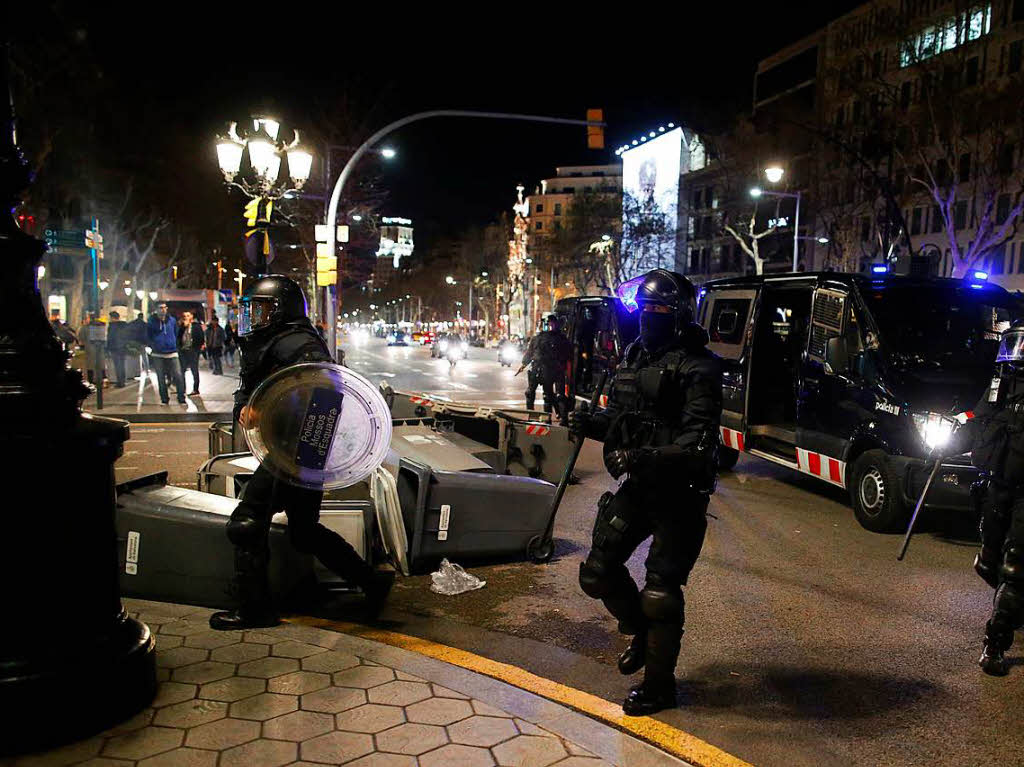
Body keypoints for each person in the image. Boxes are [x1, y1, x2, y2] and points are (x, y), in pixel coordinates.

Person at [568, 269, 722, 715]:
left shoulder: (700, 367)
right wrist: (592, 424)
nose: (649, 317)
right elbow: (622, 419)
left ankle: (659, 687)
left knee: (661, 593)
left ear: (678, 315)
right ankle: (638, 630)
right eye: (645, 309)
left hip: (680, 493)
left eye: (659, 310)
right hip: (639, 487)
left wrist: (640, 457)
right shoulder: (634, 357)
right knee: (596, 572)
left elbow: (697, 443)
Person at [209, 275, 393, 631]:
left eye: (262, 309)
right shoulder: (271, 341)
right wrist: (250, 406)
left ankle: (255, 609)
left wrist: (277, 420)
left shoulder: (296, 342)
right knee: (303, 531)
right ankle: (371, 582)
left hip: (294, 449)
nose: (255, 317)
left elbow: (324, 393)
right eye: (253, 310)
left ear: (282, 311)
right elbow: (254, 387)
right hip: (298, 450)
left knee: (246, 523)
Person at [938, 319, 1024, 675]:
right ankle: (1009, 593)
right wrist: (953, 435)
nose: (1016, 354)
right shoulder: (1002, 383)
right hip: (997, 483)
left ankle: (995, 642)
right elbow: (980, 416)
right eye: (1015, 344)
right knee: (991, 563)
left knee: (1016, 565)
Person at [520, 314, 573, 423]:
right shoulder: (539, 338)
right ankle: (546, 417)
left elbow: (568, 355)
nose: (550, 326)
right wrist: (524, 364)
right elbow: (531, 353)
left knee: (556, 396)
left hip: (552, 369)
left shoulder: (559, 339)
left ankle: (559, 418)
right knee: (548, 395)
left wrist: (568, 370)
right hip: (544, 369)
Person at [147, 303, 186, 405]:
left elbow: (176, 333)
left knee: (178, 375)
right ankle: (164, 399)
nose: (163, 310)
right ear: (156, 309)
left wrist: (175, 344)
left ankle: (181, 397)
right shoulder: (151, 321)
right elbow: (148, 335)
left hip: (172, 352)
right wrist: (153, 345)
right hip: (158, 353)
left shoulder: (172, 320)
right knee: (161, 378)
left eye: (165, 308)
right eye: (161, 308)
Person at [177, 310, 205, 396]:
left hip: (193, 351)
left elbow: (201, 338)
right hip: (183, 350)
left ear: (191, 317)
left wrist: (197, 348)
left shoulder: (196, 326)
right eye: (184, 316)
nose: (186, 317)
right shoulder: (182, 326)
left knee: (194, 370)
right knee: (182, 370)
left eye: (188, 315)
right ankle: (182, 388)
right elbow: (178, 337)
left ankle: (195, 389)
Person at [106, 311, 129, 387]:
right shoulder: (124, 325)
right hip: (123, 347)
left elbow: (110, 338)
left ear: (112, 318)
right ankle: (123, 381)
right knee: (122, 365)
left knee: (117, 365)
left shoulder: (112, 326)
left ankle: (120, 382)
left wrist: (108, 348)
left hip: (115, 347)